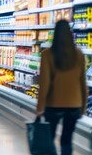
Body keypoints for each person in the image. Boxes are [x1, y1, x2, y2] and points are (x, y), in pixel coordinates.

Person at [36, 20, 88, 155]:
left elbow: (44, 83)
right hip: (74, 105)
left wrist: (40, 106)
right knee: (67, 140)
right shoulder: (79, 55)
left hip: (53, 104)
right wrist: (83, 107)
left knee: (50, 138)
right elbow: (83, 83)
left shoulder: (47, 54)